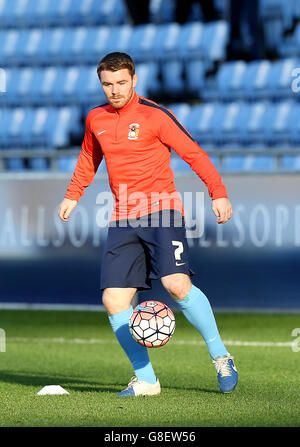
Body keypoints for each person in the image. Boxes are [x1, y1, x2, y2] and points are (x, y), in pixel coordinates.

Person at [58, 52, 238, 397]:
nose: (114, 90)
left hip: (162, 213)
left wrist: (218, 193)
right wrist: (72, 194)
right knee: (114, 299)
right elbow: (88, 157)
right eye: (108, 84)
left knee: (176, 285)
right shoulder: (95, 117)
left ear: (135, 79)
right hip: (123, 218)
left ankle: (221, 356)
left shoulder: (155, 115)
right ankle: (146, 380)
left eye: (121, 82)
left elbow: (194, 154)